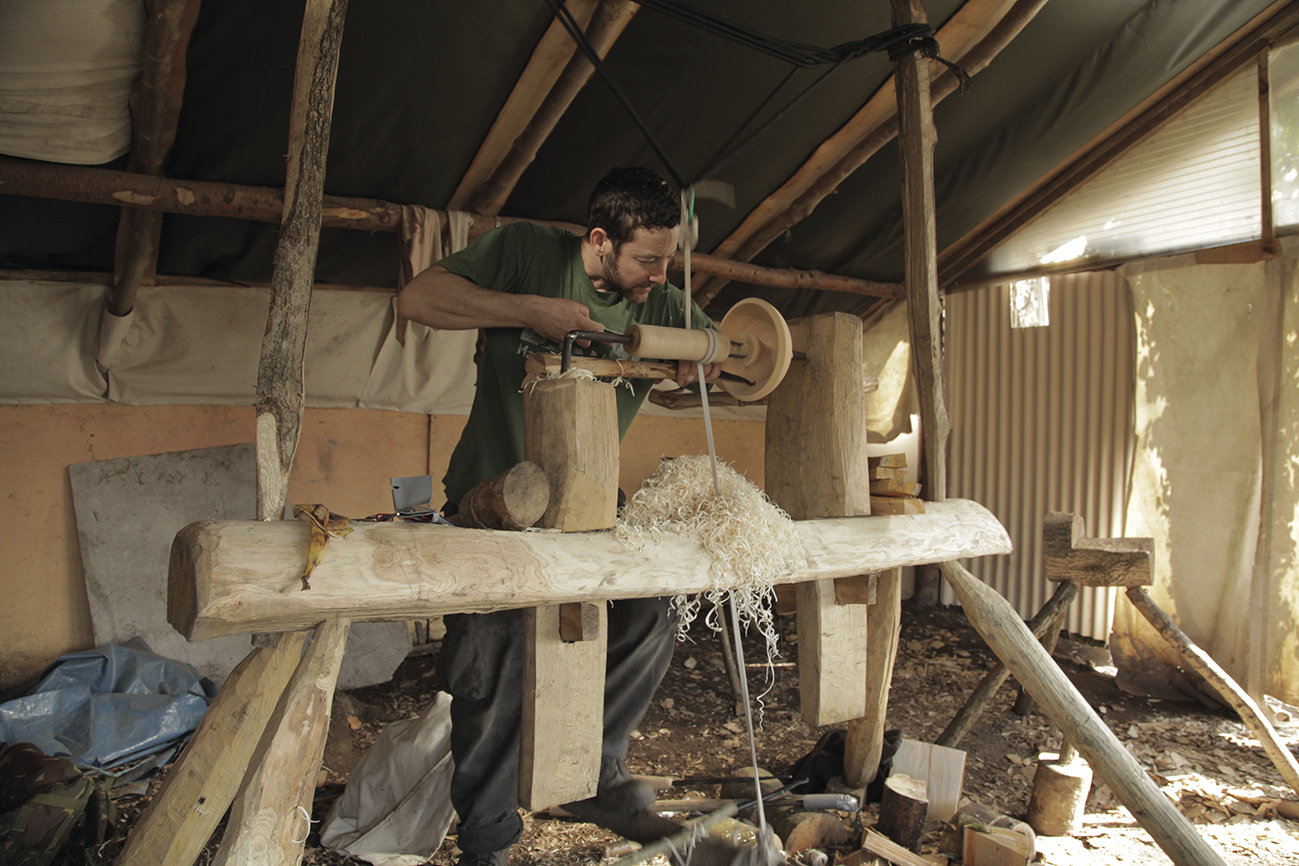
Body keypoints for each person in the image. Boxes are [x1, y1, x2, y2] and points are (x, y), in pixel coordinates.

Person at [396, 166, 721, 866]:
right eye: (645, 259)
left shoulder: (660, 300)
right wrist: (525, 312)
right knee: (489, 663)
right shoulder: (523, 250)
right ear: (600, 241)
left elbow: (728, 350)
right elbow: (419, 298)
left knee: (645, 613)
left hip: (589, 508)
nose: (658, 276)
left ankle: (594, 774)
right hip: (494, 499)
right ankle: (487, 841)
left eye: (667, 259)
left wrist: (708, 359)